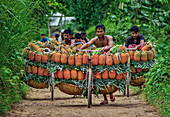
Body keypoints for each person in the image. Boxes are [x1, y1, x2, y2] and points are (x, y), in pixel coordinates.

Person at [80, 24, 115, 104]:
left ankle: (111, 93)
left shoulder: (109, 37)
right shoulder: (95, 40)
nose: (100, 33)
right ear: (96, 32)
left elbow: (111, 45)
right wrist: (80, 49)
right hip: (98, 59)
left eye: (101, 31)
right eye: (98, 32)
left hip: (108, 58)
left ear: (104, 32)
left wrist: (105, 49)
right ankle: (105, 98)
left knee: (108, 75)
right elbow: (88, 44)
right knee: (99, 77)